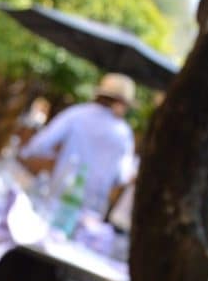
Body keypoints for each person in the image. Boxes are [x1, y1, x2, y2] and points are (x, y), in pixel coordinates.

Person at [19, 73, 137, 214]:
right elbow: (122, 176)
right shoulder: (124, 133)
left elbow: (38, 146)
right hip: (91, 213)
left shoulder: (77, 114)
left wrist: (56, 156)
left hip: (57, 201)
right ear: (122, 104)